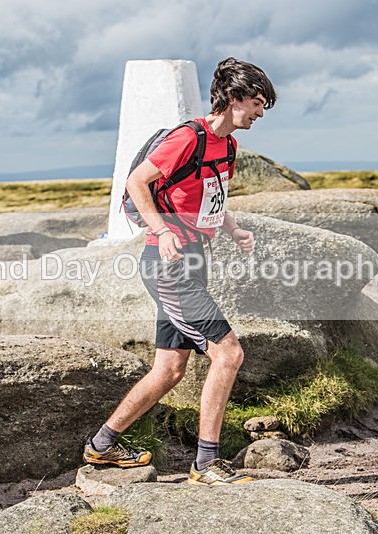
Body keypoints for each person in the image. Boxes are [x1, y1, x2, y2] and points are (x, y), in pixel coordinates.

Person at [83, 58, 276, 485]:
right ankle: (205, 464)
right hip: (168, 265)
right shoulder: (188, 136)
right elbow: (136, 182)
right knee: (229, 353)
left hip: (194, 260)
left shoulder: (227, 146)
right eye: (258, 103)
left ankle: (101, 447)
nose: (261, 113)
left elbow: (210, 196)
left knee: (169, 370)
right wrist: (161, 230)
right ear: (233, 97)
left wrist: (233, 228)